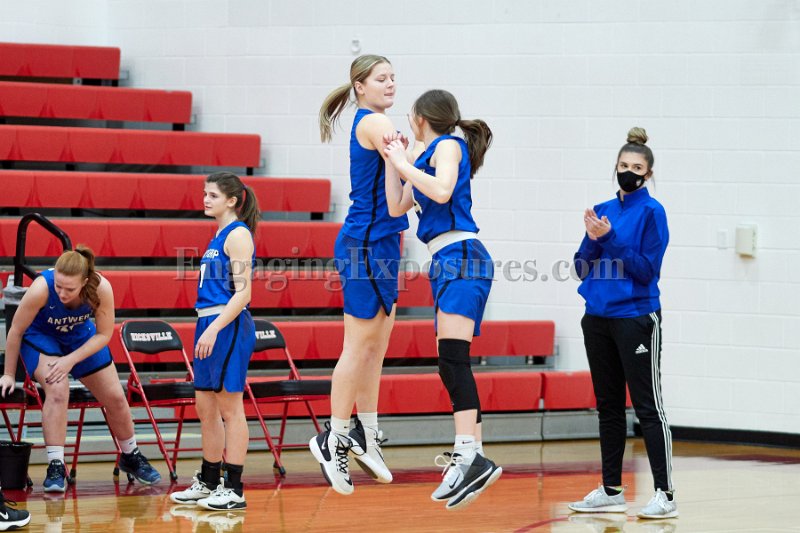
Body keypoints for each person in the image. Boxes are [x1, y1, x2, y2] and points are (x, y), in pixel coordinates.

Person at [383, 89, 502, 510]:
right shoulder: (422, 158)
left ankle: (468, 454)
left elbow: (443, 191)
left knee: (452, 360)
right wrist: (394, 161)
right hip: (446, 260)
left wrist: (403, 163)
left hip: (462, 255)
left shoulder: (449, 145)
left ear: (421, 117)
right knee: (451, 360)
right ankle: (475, 456)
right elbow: (397, 206)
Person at [309, 54, 409, 495]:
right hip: (365, 245)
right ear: (360, 87)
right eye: (381, 78)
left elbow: (399, 193)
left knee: (376, 348)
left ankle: (366, 432)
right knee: (358, 346)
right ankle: (333, 436)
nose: (390, 84)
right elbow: (408, 173)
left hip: (384, 242)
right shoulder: (374, 123)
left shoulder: (380, 123)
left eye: (393, 77)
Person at [568, 127, 677, 519]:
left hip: (636, 318)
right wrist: (592, 238)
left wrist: (610, 239)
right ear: (615, 168)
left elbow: (646, 270)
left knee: (648, 406)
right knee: (608, 407)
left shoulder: (652, 212)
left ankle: (665, 494)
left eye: (637, 168)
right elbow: (581, 268)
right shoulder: (602, 209)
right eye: (623, 165)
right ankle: (612, 489)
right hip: (597, 318)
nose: (628, 172)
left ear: (648, 174)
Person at [0, 247, 161, 491]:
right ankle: (56, 465)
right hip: (41, 336)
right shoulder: (41, 288)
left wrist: (70, 360)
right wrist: (9, 374)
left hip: (78, 335)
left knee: (116, 396)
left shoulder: (101, 288)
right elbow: (15, 330)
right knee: (58, 389)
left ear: (84, 282)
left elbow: (104, 334)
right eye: (59, 287)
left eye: (69, 289)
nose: (62, 293)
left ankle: (131, 455)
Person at [169, 172, 258, 511]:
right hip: (208, 322)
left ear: (232, 201)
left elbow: (244, 294)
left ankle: (234, 488)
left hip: (227, 324)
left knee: (230, 408)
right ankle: (208, 481)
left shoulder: (238, 235)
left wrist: (214, 329)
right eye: (204, 194)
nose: (206, 199)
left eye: (213, 195)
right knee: (205, 407)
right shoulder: (219, 234)